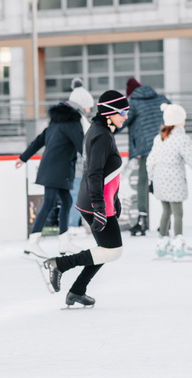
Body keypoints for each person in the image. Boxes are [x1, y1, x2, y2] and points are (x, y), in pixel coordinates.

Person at [39, 90, 128, 308]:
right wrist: (100, 206)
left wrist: (113, 201)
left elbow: (106, 172)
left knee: (103, 251)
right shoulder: (101, 135)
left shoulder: (102, 131)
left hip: (99, 201)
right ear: (109, 113)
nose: (125, 116)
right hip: (95, 203)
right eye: (122, 112)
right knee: (112, 251)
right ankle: (58, 264)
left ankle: (77, 291)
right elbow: (94, 172)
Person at [16, 97, 85, 257]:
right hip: (58, 170)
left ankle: (64, 241)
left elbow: (38, 141)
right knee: (49, 202)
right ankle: (33, 242)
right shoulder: (73, 125)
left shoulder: (55, 124)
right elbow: (82, 146)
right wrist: (96, 162)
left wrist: (23, 158)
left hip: (52, 168)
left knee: (66, 201)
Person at [147, 103, 192, 260]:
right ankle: (179, 245)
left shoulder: (159, 138)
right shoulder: (181, 138)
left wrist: (151, 180)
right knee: (178, 212)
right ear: (178, 121)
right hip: (174, 181)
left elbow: (150, 161)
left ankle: (162, 244)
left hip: (159, 180)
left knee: (166, 211)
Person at [120, 77, 170, 236]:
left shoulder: (133, 102)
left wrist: (106, 127)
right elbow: (174, 114)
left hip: (147, 149)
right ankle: (166, 222)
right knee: (163, 182)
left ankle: (142, 222)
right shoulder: (161, 98)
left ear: (129, 92)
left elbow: (121, 121)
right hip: (165, 146)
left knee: (142, 182)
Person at [66, 78, 95, 232]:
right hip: (79, 166)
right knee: (77, 194)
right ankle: (72, 224)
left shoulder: (71, 121)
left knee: (77, 194)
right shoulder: (82, 121)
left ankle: (75, 223)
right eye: (88, 107)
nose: (90, 110)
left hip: (74, 165)